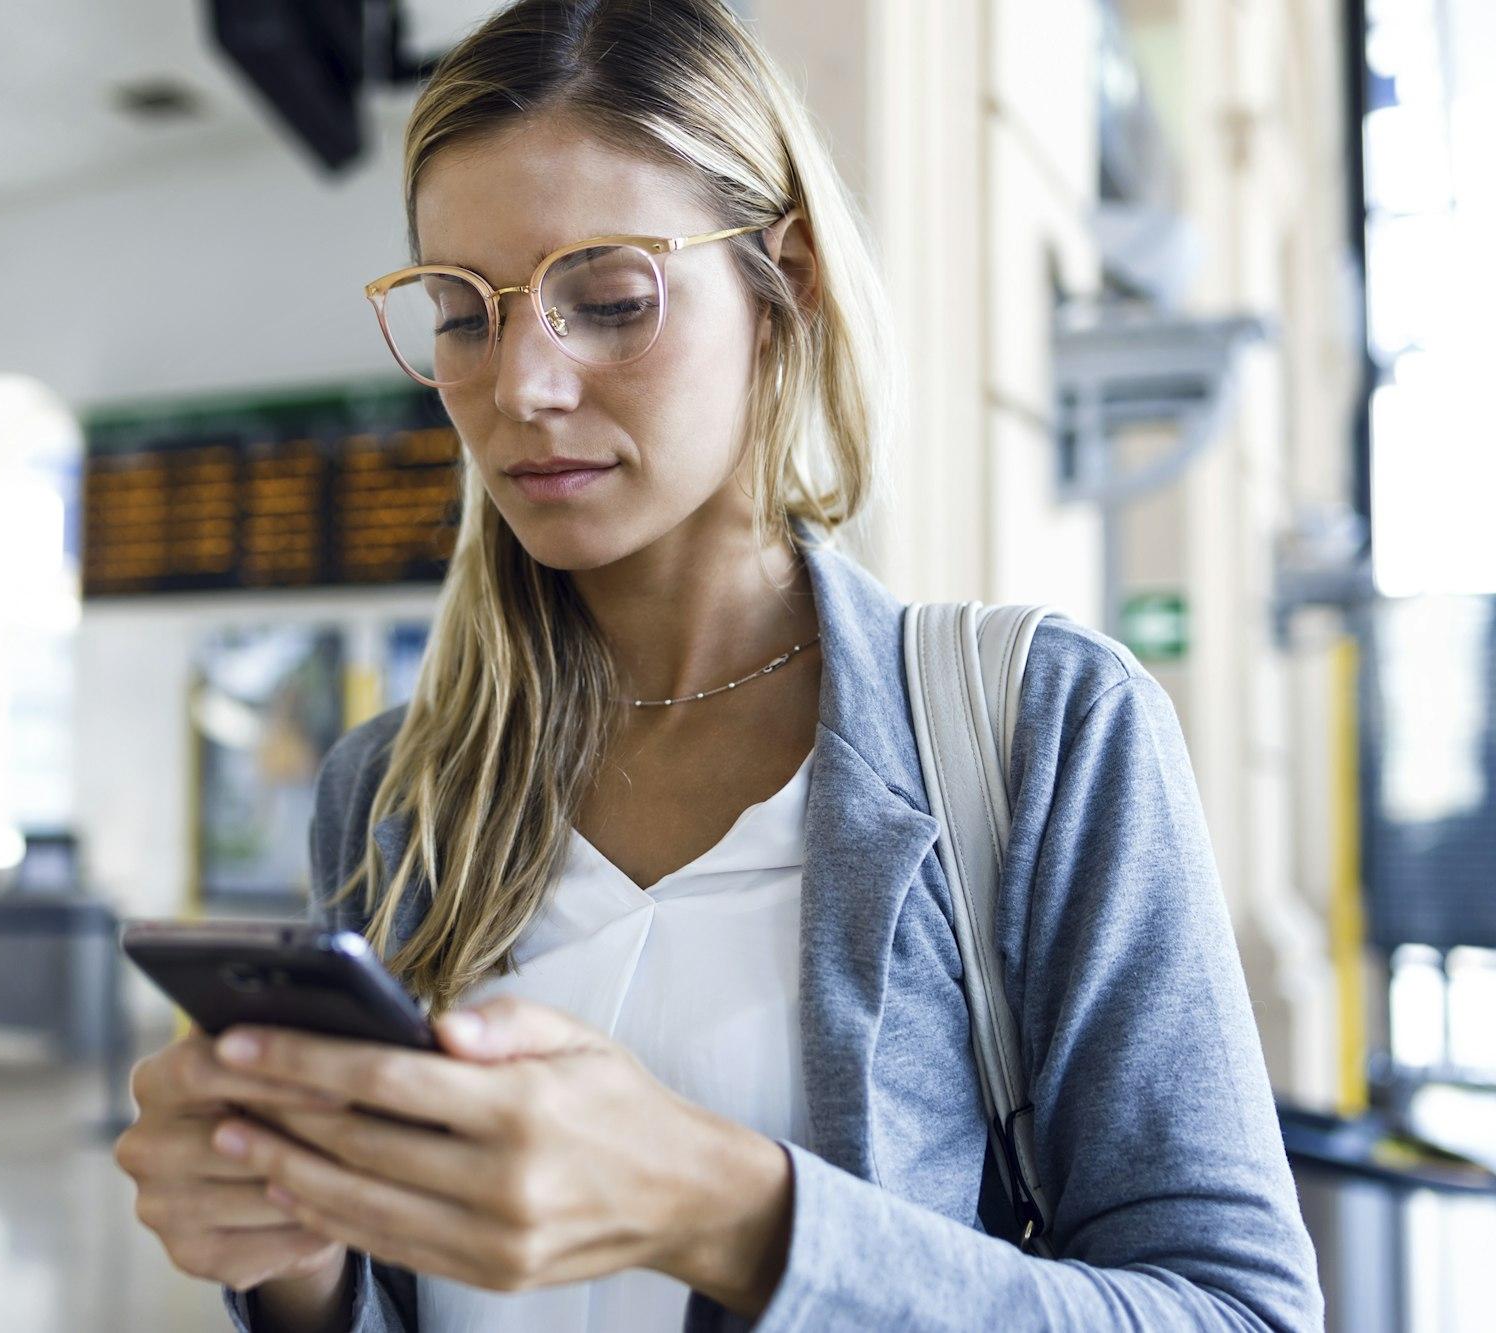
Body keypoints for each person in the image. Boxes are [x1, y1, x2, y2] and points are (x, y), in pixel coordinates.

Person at [111, 1, 1325, 1329]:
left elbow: (1239, 1311)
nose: (522, 386)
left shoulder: (1039, 729)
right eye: (464, 314)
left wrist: (730, 1213)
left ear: (784, 281)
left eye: (609, 299)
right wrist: (291, 1255)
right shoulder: (391, 785)